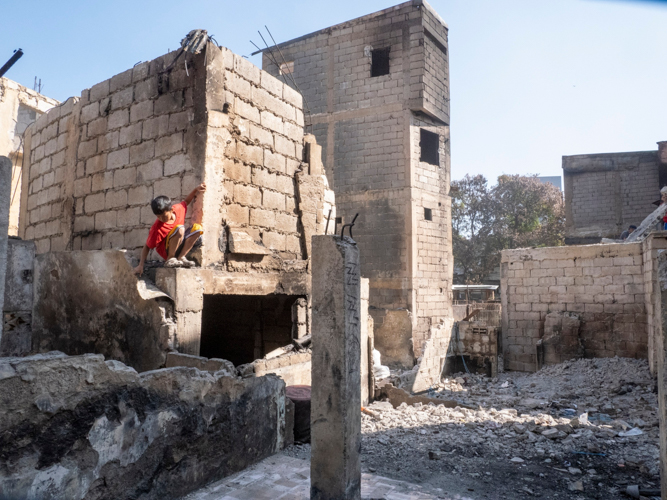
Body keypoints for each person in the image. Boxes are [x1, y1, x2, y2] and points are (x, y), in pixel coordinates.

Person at [133, 183, 206, 275]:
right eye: (158, 217)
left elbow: (186, 201)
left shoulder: (178, 209)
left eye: (164, 216)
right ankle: (171, 259)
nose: (161, 219)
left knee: (197, 228)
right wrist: (141, 265)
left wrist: (196, 190)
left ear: (171, 210)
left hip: (180, 244)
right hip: (167, 250)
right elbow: (147, 246)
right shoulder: (157, 228)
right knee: (180, 228)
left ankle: (181, 257)